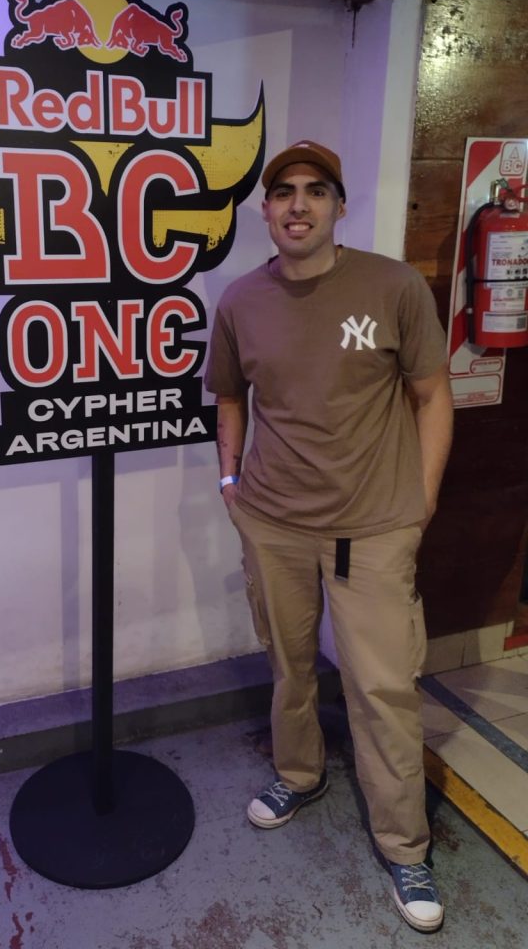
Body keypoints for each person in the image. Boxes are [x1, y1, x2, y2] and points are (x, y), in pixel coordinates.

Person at [204, 140, 454, 933]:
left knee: (382, 688)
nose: (299, 205)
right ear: (266, 210)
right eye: (284, 192)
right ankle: (300, 773)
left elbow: (433, 395)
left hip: (372, 525)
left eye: (316, 190)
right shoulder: (241, 301)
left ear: (339, 206)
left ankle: (405, 846)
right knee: (288, 663)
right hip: (273, 521)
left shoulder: (392, 286)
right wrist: (230, 481)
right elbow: (230, 396)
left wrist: (421, 503)